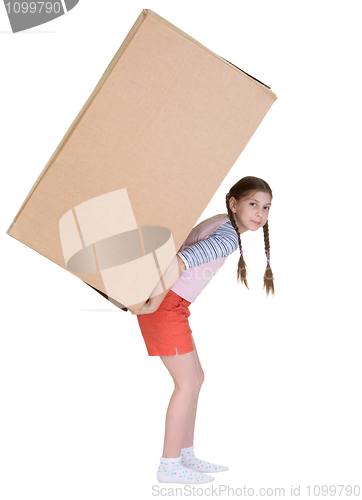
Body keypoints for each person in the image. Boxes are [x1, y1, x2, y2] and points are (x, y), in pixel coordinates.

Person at [131, 176, 274, 484]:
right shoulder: (227, 236)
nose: (260, 214)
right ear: (234, 204)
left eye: (266, 207)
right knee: (187, 384)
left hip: (173, 307)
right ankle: (169, 465)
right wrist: (151, 304)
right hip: (166, 307)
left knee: (196, 379)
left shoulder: (222, 222)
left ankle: (185, 454)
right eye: (253, 204)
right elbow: (178, 263)